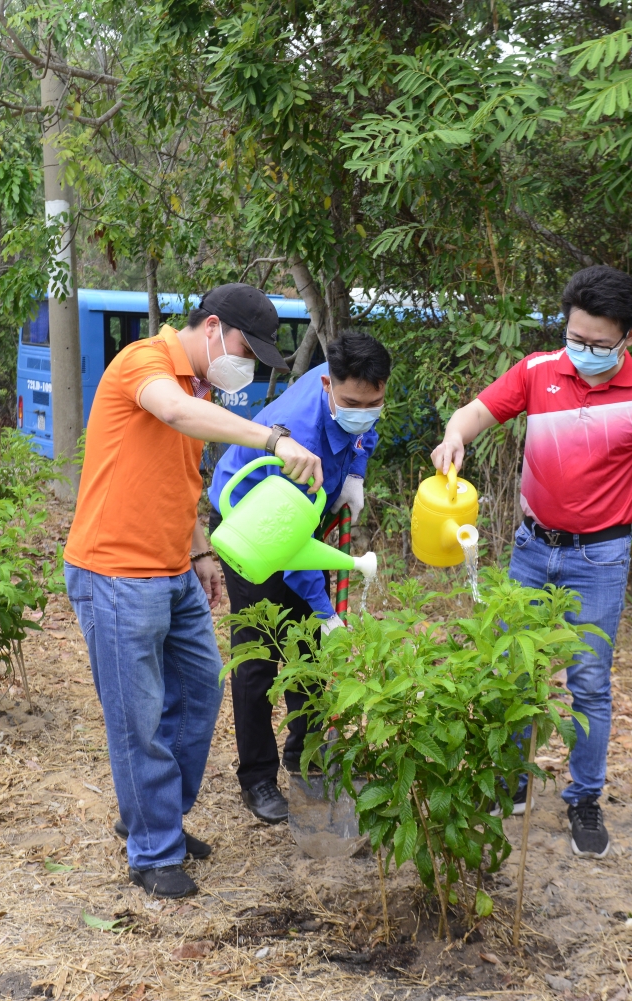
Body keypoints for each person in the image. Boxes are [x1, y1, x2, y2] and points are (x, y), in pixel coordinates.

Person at [63, 283, 324, 899]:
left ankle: (155, 819)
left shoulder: (200, 389)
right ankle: (152, 849)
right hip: (115, 574)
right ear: (211, 328)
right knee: (138, 719)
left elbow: (179, 478)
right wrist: (273, 438)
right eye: (244, 348)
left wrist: (201, 550)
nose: (248, 364)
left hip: (173, 570)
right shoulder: (145, 363)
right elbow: (175, 416)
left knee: (200, 697)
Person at [430, 265, 632, 859]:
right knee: (512, 670)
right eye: (576, 337)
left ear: (630, 338)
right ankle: (512, 781)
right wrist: (454, 436)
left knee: (589, 681)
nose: (584, 351)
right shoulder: (538, 372)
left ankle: (584, 799)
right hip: (531, 548)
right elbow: (475, 412)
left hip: (600, 557)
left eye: (599, 343)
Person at [208, 329, 393, 824]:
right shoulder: (299, 438)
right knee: (260, 652)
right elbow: (291, 553)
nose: (364, 408)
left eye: (372, 401)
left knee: (308, 649)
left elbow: (361, 432)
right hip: (252, 526)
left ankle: (305, 755)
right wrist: (326, 610)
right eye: (353, 401)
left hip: (297, 521)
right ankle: (258, 778)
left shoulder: (355, 395)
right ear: (328, 386)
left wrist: (354, 470)